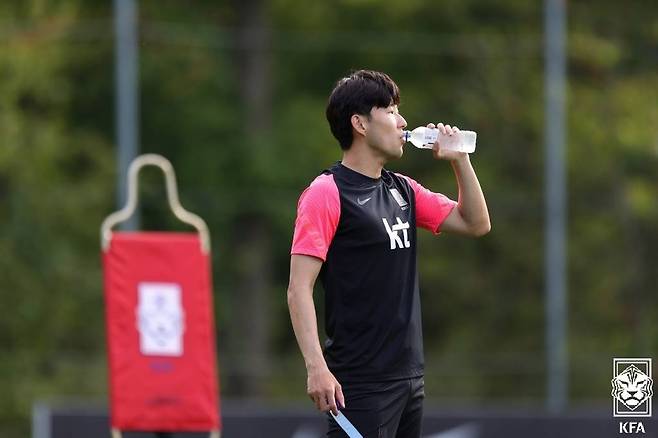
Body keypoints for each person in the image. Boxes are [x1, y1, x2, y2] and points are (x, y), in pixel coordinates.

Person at [287, 70, 490, 438]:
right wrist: (316, 366)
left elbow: (475, 223)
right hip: (361, 383)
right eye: (391, 110)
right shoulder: (326, 192)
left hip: (410, 378)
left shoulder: (404, 190)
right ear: (360, 123)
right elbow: (298, 288)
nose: (403, 121)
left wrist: (460, 160)